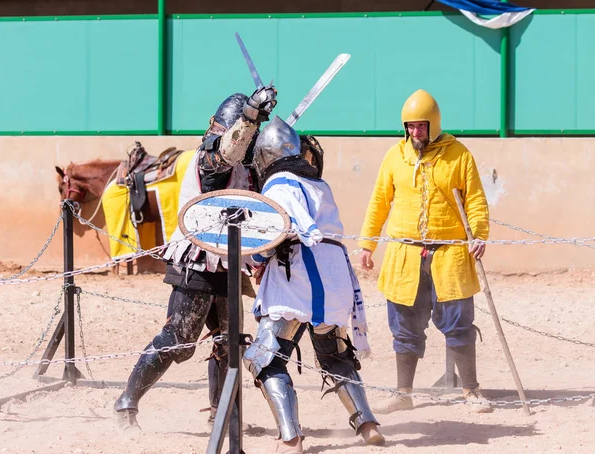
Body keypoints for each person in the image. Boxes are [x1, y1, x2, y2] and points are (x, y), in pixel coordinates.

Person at [113, 85, 277, 434]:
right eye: (244, 132)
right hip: (196, 261)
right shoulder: (210, 157)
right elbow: (227, 154)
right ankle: (127, 399)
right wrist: (250, 117)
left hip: (229, 263)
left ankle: (222, 415)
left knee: (229, 343)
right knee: (177, 340)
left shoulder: (247, 167)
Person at [243, 116, 385, 454]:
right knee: (334, 355)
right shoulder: (320, 186)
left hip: (297, 278)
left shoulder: (278, 185)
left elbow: (272, 234)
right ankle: (368, 426)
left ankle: (290, 438)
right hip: (335, 279)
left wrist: (257, 264)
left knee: (266, 359)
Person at [358, 89, 493, 414]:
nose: (415, 132)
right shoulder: (394, 156)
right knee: (404, 326)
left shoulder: (458, 154)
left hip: (451, 254)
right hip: (405, 256)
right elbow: (379, 201)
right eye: (410, 126)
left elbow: (474, 198)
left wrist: (479, 234)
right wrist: (367, 243)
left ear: (433, 125)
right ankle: (404, 393)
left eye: (421, 126)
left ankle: (470, 391)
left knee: (458, 323)